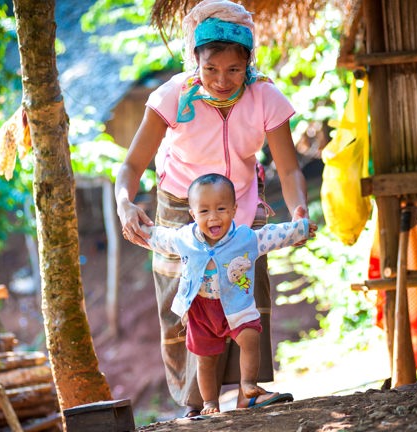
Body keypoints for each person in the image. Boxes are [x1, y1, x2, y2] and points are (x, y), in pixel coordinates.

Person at [114, 0, 310, 417]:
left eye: (234, 70)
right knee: (185, 303)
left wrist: (299, 211)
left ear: (249, 63)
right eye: (211, 69)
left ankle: (248, 391)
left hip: (238, 204)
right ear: (194, 62)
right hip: (180, 207)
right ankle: (197, 405)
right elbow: (131, 165)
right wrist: (125, 204)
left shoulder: (265, 97)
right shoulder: (173, 95)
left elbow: (290, 171)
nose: (223, 80)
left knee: (244, 297)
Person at [139, 174, 316, 415]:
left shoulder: (245, 238)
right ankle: (210, 402)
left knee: (250, 337)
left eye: (221, 209)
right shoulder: (185, 239)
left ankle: (248, 384)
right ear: (193, 215)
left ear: (234, 210)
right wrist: (137, 229)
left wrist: (300, 229)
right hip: (201, 310)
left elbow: (273, 235)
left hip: (236, 305)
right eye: (204, 211)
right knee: (205, 359)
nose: (213, 217)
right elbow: (161, 238)